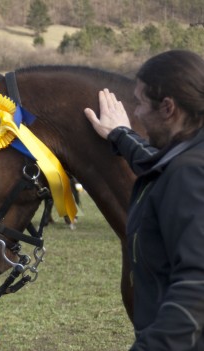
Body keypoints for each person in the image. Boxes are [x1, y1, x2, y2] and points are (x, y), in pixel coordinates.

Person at [84, 50, 204, 350]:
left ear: (168, 108)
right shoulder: (188, 157)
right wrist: (121, 135)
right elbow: (159, 166)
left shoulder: (190, 174)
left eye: (140, 103)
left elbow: (197, 285)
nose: (135, 113)